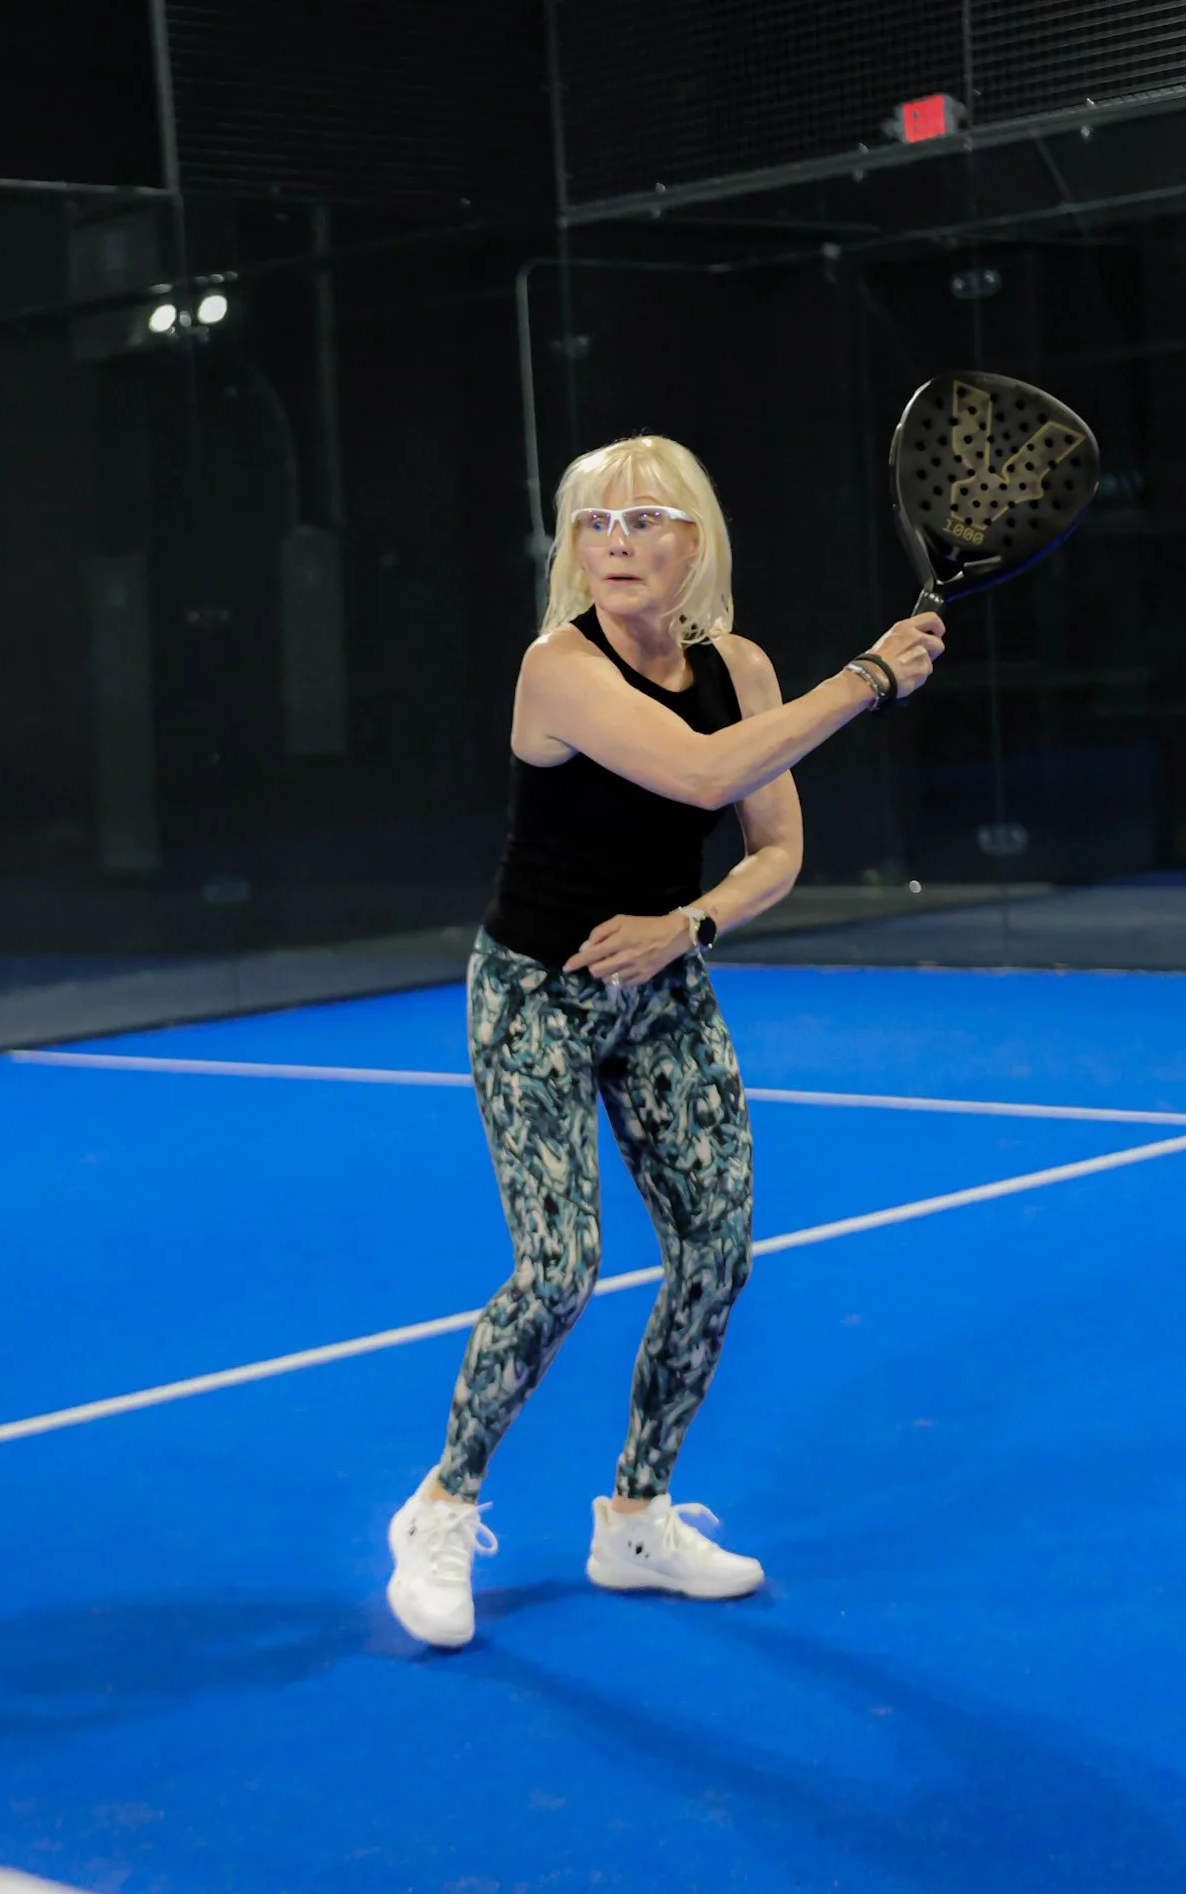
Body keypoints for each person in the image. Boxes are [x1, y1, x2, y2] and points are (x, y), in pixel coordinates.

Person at [387, 433, 944, 1647]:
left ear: (697, 540)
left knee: (715, 1252)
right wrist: (867, 679)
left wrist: (681, 924)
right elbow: (701, 779)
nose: (616, 544)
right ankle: (441, 1505)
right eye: (593, 523)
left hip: (663, 987)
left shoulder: (737, 662)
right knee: (560, 1267)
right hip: (537, 992)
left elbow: (776, 851)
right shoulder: (557, 668)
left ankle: (635, 1515)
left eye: (644, 520)